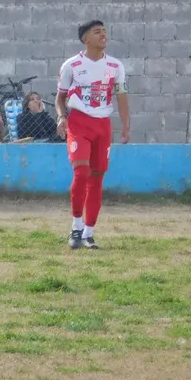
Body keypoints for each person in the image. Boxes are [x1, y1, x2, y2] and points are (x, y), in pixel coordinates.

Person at [55, 19, 131, 250]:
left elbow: (121, 97)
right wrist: (61, 117)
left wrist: (125, 125)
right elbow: (60, 97)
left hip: (102, 125)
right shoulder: (72, 65)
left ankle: (89, 233)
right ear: (85, 39)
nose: (103, 35)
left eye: (105, 32)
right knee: (81, 172)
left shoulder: (116, 67)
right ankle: (76, 227)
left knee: (97, 178)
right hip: (79, 122)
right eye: (97, 32)